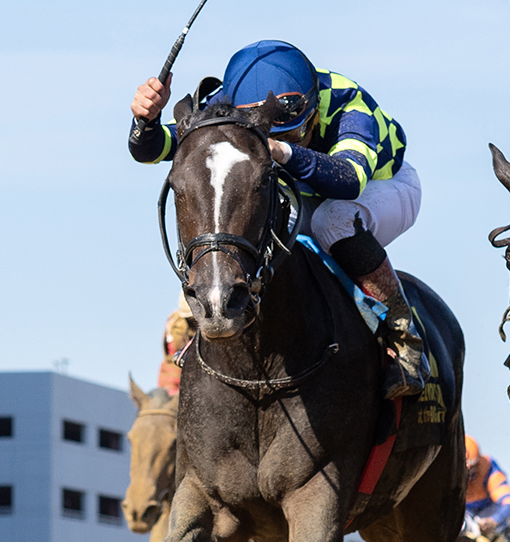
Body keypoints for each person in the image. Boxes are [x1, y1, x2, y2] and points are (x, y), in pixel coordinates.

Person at [129, 40, 428, 399]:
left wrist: (280, 150)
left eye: (289, 132)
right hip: (302, 191)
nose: (277, 141)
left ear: (312, 108)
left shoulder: (349, 105)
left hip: (382, 187)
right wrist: (144, 123)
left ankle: (403, 334)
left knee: (331, 219)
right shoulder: (226, 106)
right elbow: (157, 149)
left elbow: (349, 180)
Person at [465, 434, 510, 539]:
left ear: (478, 464)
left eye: (471, 470)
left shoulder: (488, 469)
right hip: (465, 516)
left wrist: (494, 520)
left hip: (489, 515)